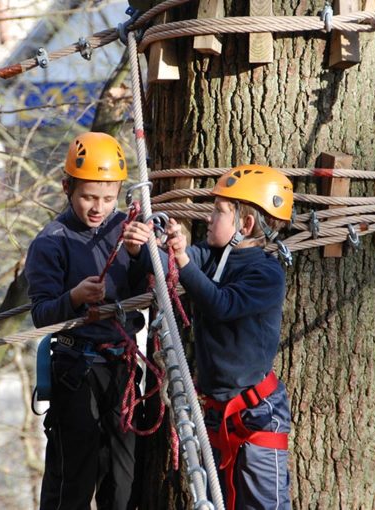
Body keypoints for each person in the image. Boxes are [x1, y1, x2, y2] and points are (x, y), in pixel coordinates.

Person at [124, 164, 294, 509]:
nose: (209, 219)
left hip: (256, 412)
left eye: (219, 212)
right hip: (220, 410)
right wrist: (141, 248)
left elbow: (222, 304)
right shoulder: (214, 256)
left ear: (245, 225)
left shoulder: (266, 273)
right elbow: (164, 267)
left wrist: (184, 260)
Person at [24, 132, 146, 510]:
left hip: (120, 365)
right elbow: (41, 314)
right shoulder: (52, 241)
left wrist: (139, 254)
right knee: (75, 474)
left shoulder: (125, 230)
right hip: (76, 366)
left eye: (108, 198)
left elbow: (147, 291)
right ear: (67, 188)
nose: (98, 207)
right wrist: (74, 297)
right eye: (89, 197)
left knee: (123, 476)